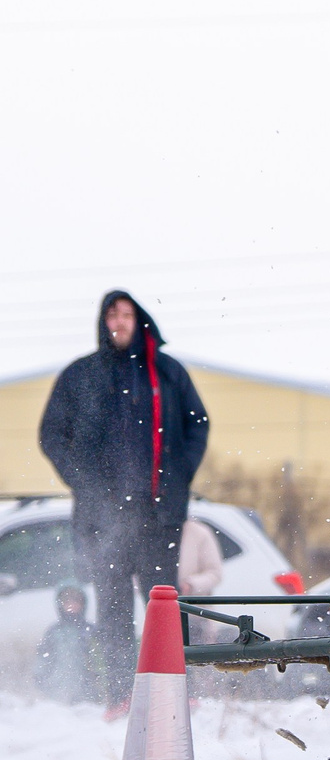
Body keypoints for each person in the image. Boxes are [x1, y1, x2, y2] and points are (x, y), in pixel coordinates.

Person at [37, 291, 210, 716]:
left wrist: (178, 477)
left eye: (127, 314)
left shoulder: (166, 374)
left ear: (140, 320)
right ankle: (120, 695)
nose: (119, 321)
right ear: (102, 321)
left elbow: (197, 426)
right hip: (103, 519)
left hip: (158, 516)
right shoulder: (82, 375)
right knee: (114, 610)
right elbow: (52, 434)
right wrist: (87, 485)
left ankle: (173, 692)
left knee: (164, 607)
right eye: (112, 314)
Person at [34, 584, 106, 704]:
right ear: (60, 604)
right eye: (67, 601)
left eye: (76, 600)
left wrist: (101, 681)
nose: (72, 605)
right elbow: (44, 655)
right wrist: (39, 675)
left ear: (83, 604)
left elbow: (99, 659)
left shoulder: (91, 630)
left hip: (88, 692)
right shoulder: (53, 631)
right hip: (57, 689)